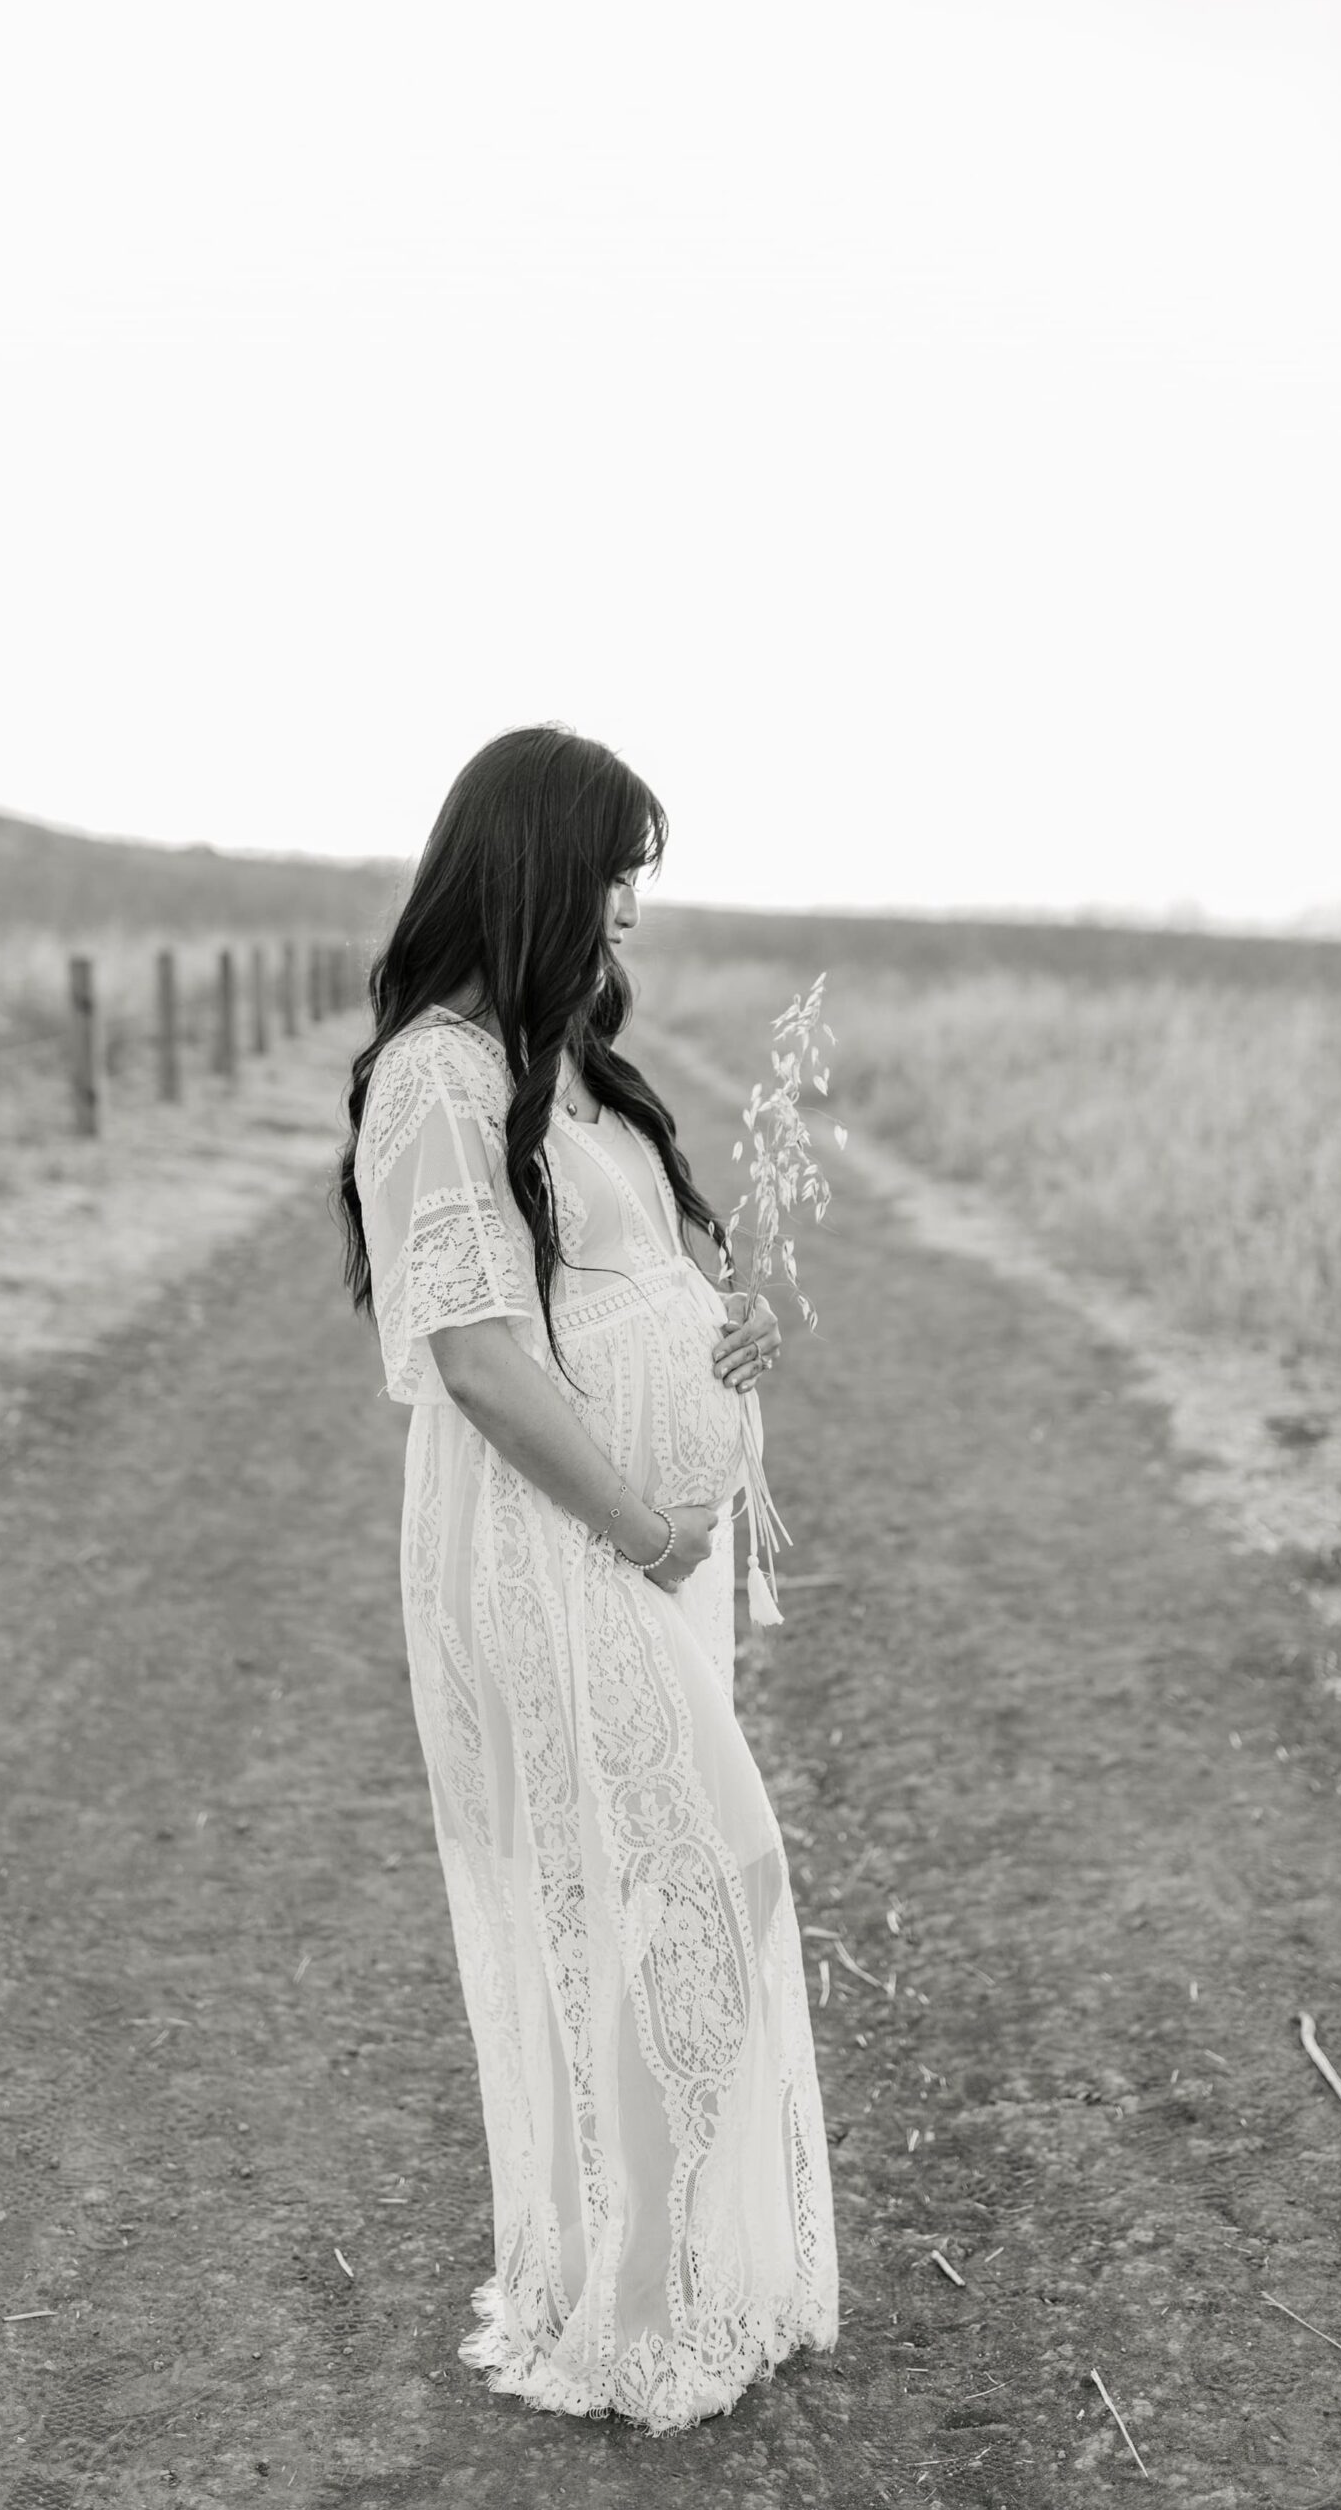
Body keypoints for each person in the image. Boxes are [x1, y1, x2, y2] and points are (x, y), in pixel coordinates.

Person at [337, 726, 839, 2435]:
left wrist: (729, 1324)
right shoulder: (437, 1079)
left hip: (644, 1549)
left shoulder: (571, 1070)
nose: (629, 907)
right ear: (535, 869)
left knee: (663, 1891)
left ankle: (666, 2275)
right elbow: (478, 1356)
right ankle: (625, 2299)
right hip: (555, 1547)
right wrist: (635, 1521)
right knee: (691, 1877)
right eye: (613, 871)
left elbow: (631, 1288)